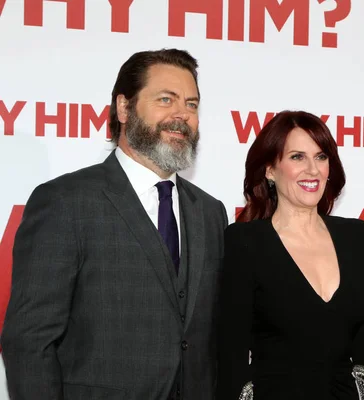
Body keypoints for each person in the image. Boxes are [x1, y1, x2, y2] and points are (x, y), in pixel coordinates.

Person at [1, 49, 228, 400]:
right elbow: (30, 342)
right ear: (124, 108)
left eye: (192, 104)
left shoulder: (210, 212)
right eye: (165, 100)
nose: (182, 114)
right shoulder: (65, 201)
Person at [217, 110, 364, 399]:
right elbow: (231, 354)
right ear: (270, 170)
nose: (312, 170)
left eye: (321, 157)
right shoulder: (245, 242)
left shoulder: (355, 237)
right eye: (297, 157)